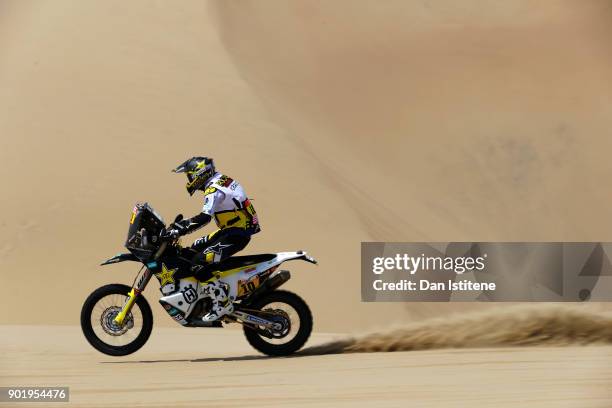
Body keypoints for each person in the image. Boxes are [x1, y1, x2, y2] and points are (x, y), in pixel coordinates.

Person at [168, 156, 261, 322]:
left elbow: (204, 218)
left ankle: (222, 303)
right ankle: (206, 296)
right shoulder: (220, 179)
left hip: (236, 235)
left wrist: (180, 229)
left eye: (190, 175)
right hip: (231, 230)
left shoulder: (214, 189)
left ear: (200, 173)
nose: (189, 180)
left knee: (198, 263)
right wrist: (180, 227)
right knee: (192, 250)